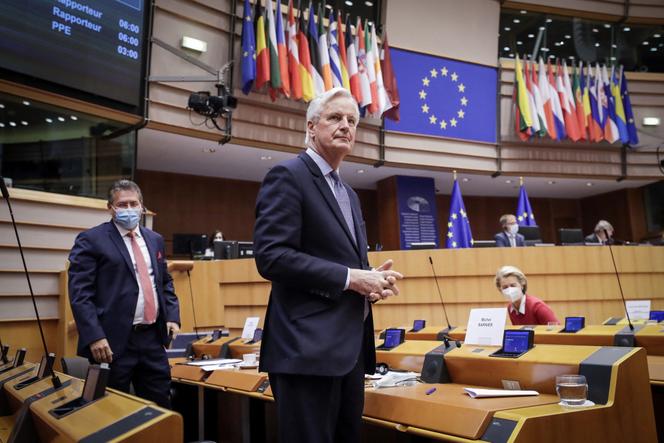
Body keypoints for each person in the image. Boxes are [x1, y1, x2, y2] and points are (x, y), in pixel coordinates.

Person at [253, 88, 403, 443]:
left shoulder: (348, 194)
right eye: (335, 117)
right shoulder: (288, 175)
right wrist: (351, 278)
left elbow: (345, 266)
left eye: (352, 120)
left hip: (348, 351)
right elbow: (272, 256)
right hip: (306, 351)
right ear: (311, 126)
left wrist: (372, 282)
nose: (345, 126)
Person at [68, 179, 180, 408]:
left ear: (142, 206)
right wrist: (94, 336)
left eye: (133, 203)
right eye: (122, 204)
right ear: (110, 208)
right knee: (112, 413)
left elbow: (165, 282)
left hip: (152, 340)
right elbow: (80, 294)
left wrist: (172, 316)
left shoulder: (155, 239)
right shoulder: (91, 240)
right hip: (111, 343)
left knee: (160, 410)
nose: (129, 209)